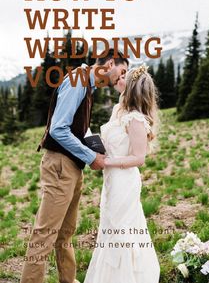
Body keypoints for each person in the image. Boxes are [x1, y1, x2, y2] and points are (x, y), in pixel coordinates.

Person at [20, 50, 129, 283]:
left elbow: (75, 126)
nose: (122, 78)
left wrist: (94, 145)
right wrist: (91, 156)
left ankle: (68, 281)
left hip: (71, 166)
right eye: (122, 71)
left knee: (66, 232)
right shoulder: (77, 80)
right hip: (60, 165)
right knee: (45, 233)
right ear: (110, 63)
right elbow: (58, 128)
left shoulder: (88, 85)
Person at [84, 65, 161, 283]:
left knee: (122, 229)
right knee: (109, 226)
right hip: (111, 179)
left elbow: (138, 158)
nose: (120, 77)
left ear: (134, 88)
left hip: (124, 180)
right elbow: (115, 142)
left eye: (126, 76)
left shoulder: (136, 119)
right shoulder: (119, 109)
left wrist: (107, 161)